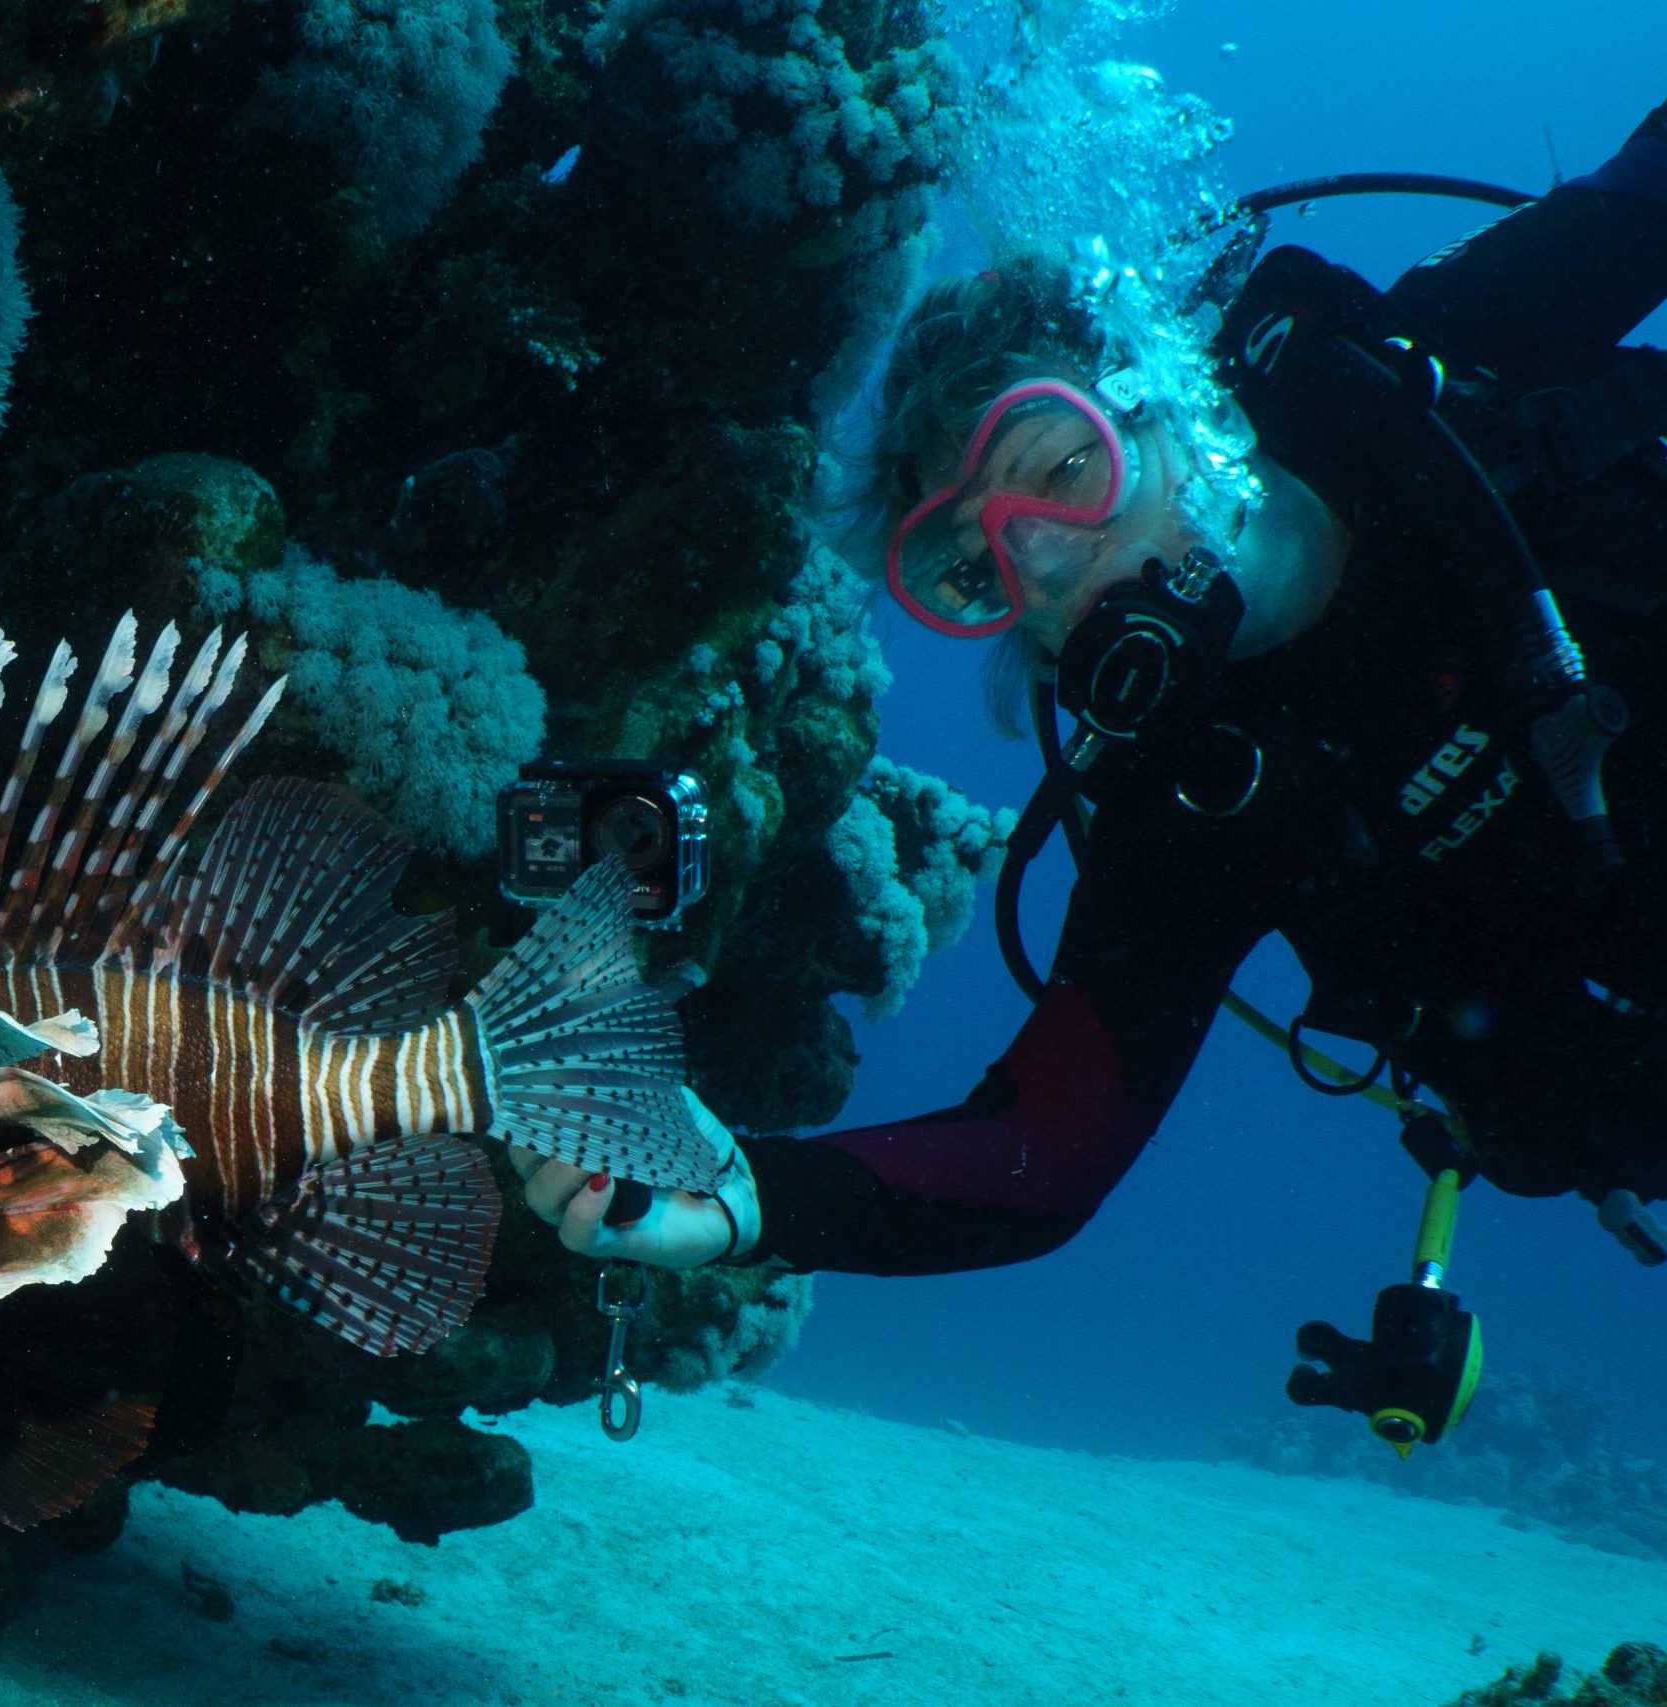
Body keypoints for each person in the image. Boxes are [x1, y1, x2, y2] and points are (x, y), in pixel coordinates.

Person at [517, 100, 1667, 1296]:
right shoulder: (1194, 804)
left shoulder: (1444, 379)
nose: (1048, 570)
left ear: (1172, 398)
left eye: (1065, 468)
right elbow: (1046, 1148)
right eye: (976, 565)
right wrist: (755, 1195)